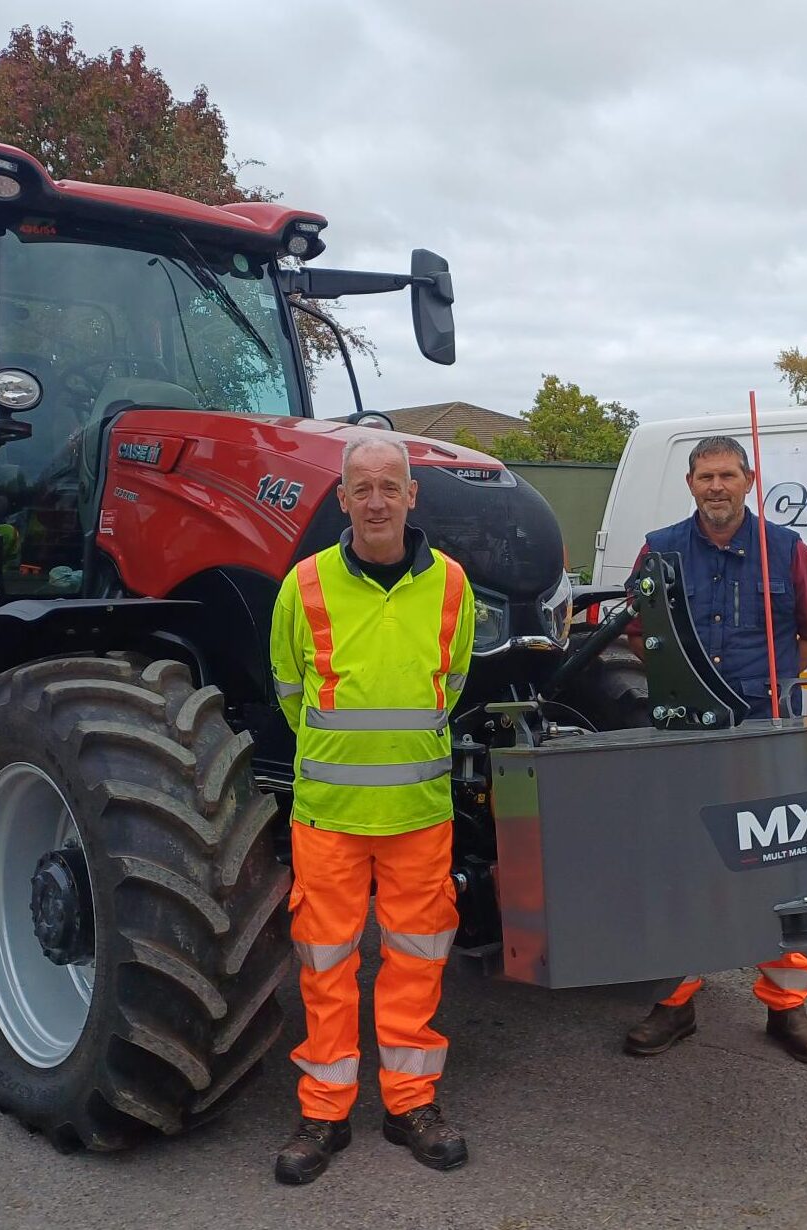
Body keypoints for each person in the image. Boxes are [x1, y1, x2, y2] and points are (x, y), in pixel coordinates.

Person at [268, 435, 476, 1184]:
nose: (378, 499)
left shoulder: (453, 586)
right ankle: (324, 1113)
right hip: (328, 815)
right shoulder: (304, 585)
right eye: (364, 487)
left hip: (419, 814)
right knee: (325, 967)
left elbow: (448, 686)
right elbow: (290, 688)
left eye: (392, 485)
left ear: (412, 496)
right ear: (344, 499)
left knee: (415, 962)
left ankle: (409, 1104)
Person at [622, 435, 807, 1064]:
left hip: (765, 732)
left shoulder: (787, 551)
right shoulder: (659, 552)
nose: (716, 486)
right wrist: (685, 685)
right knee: (684, 867)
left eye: (727, 475)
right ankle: (675, 1001)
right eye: (705, 476)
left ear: (749, 479)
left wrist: (763, 683)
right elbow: (638, 634)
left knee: (781, 869)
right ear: (689, 484)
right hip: (686, 738)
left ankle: (786, 1007)